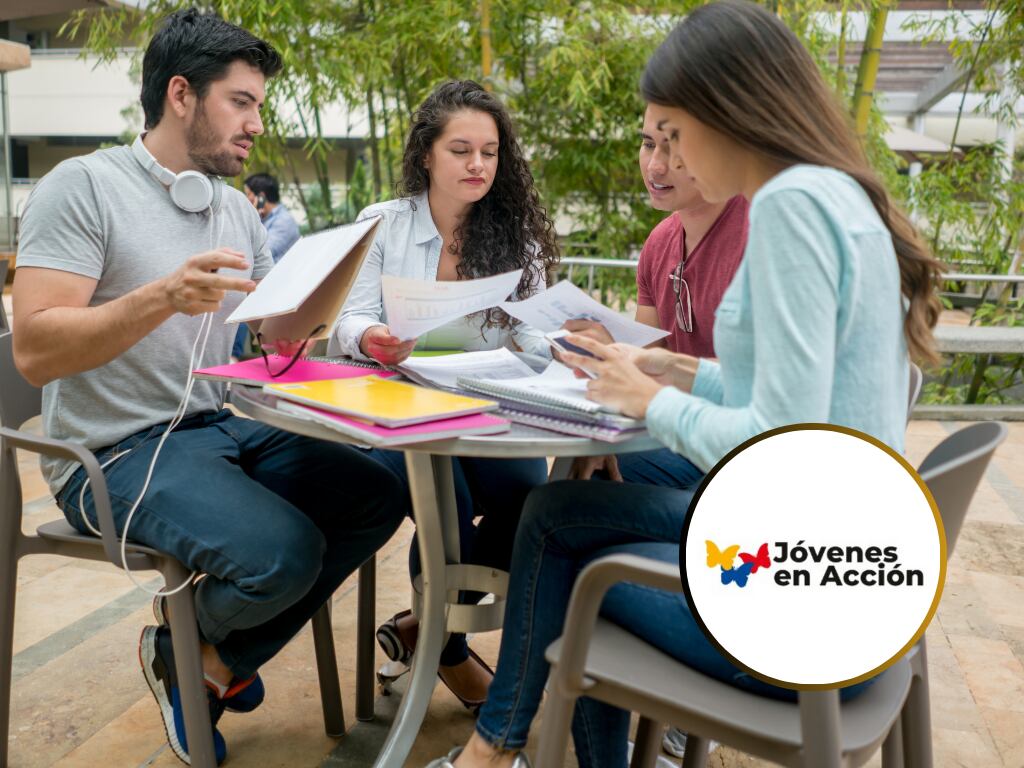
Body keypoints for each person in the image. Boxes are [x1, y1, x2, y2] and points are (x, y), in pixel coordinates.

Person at [427, 2, 942, 766]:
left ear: (725, 109)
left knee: (564, 548)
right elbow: (796, 392)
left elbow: (778, 441)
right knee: (563, 514)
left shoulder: (790, 207)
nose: (671, 154)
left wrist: (654, 403)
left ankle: (490, 753)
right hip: (852, 572)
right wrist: (681, 370)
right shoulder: (838, 196)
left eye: (673, 131)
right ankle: (501, 748)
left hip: (795, 610)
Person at [11, 10, 405, 765]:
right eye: (241, 102)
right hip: (108, 452)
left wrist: (317, 306)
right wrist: (161, 296)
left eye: (260, 105)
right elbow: (33, 351)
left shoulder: (230, 206)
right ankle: (196, 648)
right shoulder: (82, 186)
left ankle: (205, 659)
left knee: (378, 492)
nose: (257, 124)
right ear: (182, 94)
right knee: (283, 555)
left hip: (214, 424)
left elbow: (269, 333)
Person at [328, 79, 559, 710]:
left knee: (533, 507)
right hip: (404, 403)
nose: (478, 165)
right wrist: (371, 336)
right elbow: (349, 318)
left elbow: (532, 335)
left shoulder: (518, 236)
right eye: (461, 150)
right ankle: (448, 652)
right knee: (447, 511)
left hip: (486, 404)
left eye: (490, 152)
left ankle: (421, 627)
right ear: (426, 153)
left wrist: (553, 343)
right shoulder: (384, 223)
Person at [566, 105, 748, 490]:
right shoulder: (659, 242)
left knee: (559, 504)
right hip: (676, 434)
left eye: (674, 147)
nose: (655, 167)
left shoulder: (758, 234)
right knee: (576, 472)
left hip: (739, 450)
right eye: (648, 144)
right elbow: (648, 358)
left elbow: (766, 380)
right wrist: (609, 349)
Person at [231, 172, 300, 358]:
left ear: (261, 197)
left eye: (248, 194)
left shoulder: (284, 221)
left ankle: (233, 358)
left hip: (279, 294)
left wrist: (251, 217)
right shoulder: (266, 220)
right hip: (263, 289)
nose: (246, 199)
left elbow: (257, 252)